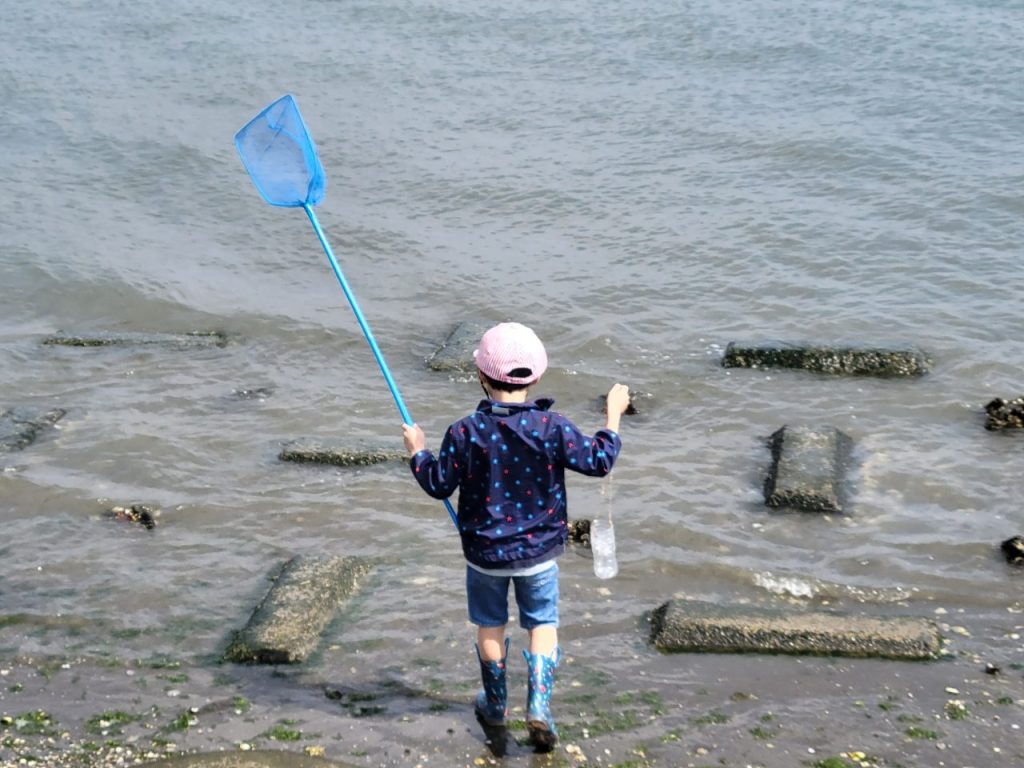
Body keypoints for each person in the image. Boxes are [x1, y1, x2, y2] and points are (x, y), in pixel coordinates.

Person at [402, 321, 630, 752]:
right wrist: (613, 416)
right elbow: (600, 460)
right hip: (540, 554)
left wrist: (418, 450)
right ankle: (539, 706)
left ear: (481, 377)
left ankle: (495, 704)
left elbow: (436, 483)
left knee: (489, 624)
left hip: (484, 554)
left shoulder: (464, 431)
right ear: (538, 377)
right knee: (542, 623)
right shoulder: (552, 426)